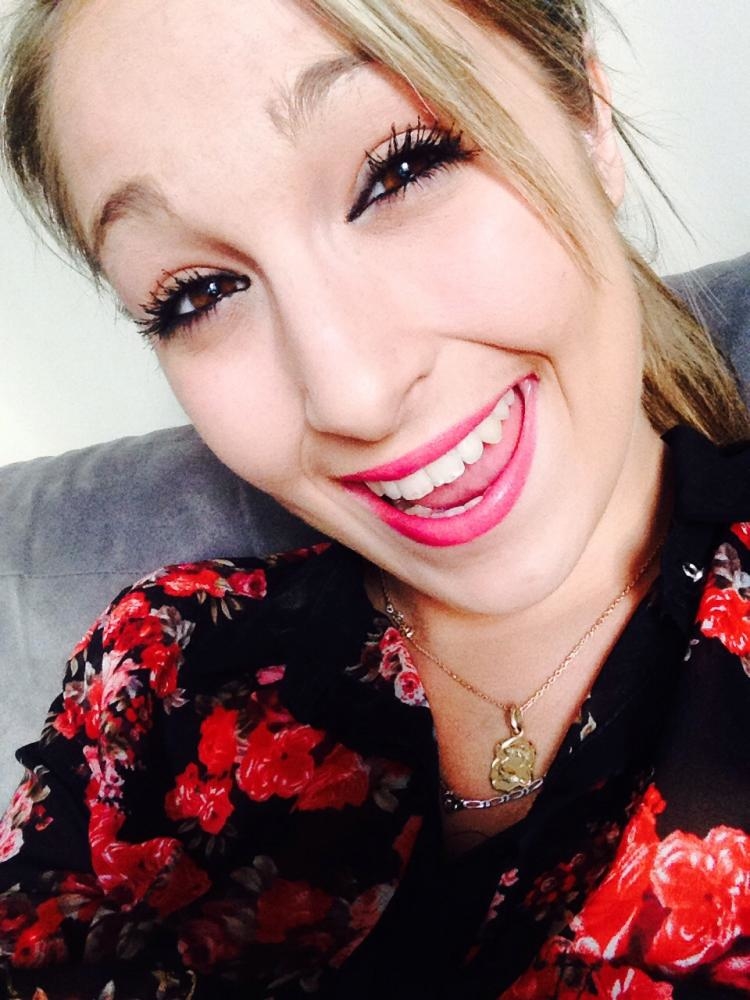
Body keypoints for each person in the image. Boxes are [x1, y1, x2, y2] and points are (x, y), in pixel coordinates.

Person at [1, 1, 749, 997]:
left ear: (587, 119)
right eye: (198, 292)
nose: (350, 395)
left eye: (400, 170)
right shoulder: (150, 672)